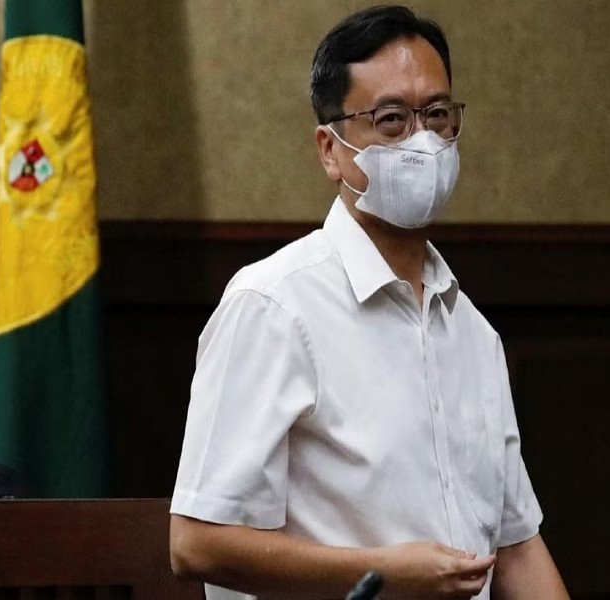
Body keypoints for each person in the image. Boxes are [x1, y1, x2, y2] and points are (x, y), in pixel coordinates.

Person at [169, 6, 569, 600]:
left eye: (437, 115)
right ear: (330, 150)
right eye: (391, 120)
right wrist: (383, 573)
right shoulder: (273, 305)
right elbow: (196, 542)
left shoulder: (473, 332)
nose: (422, 141)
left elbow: (514, 548)